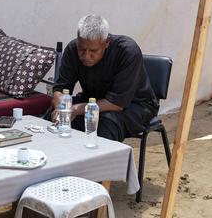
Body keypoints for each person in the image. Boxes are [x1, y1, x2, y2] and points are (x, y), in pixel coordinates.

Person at [51, 14, 158, 142]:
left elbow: (117, 103)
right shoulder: (72, 49)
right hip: (93, 100)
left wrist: (75, 109)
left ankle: (99, 161)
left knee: (104, 122)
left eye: (93, 51)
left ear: (107, 42)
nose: (86, 56)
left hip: (134, 105)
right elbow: (61, 89)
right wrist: (60, 109)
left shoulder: (127, 51)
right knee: (51, 115)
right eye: (82, 49)